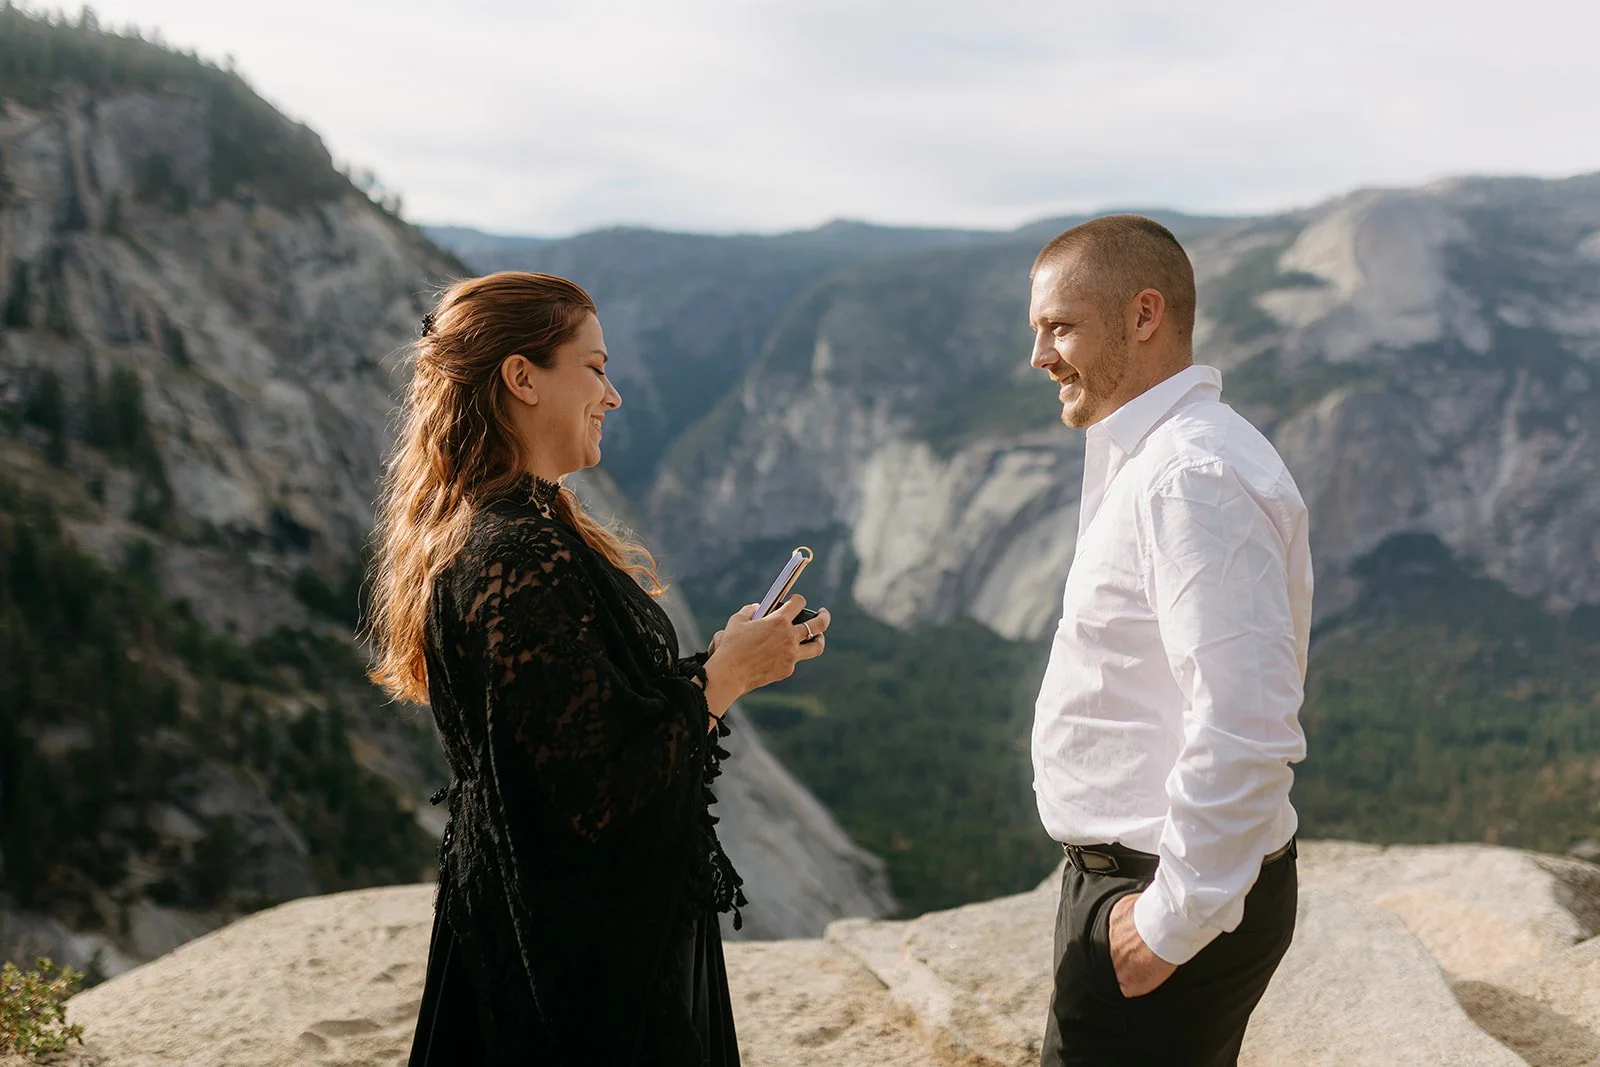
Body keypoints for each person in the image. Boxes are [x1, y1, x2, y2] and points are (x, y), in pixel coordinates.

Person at [365, 271, 830, 1066]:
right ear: (522, 377)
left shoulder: (525, 527)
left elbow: (575, 719)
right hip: (571, 970)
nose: (612, 395)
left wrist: (723, 661)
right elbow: (594, 800)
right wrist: (720, 683)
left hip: (537, 931)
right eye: (594, 367)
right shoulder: (517, 554)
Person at [1026, 216, 1312, 1066]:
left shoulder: (1192, 476)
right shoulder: (1148, 455)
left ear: (1144, 315)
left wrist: (1167, 923)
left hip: (1161, 892)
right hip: (1136, 878)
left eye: (1058, 326)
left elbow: (1247, 723)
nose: (1039, 356)